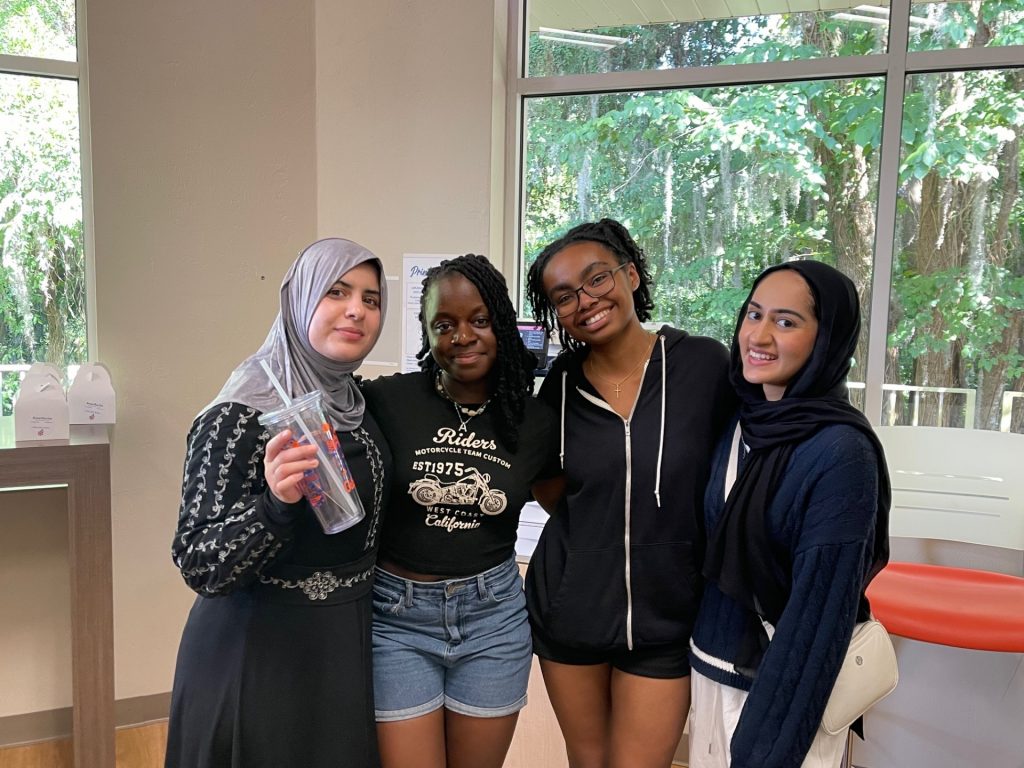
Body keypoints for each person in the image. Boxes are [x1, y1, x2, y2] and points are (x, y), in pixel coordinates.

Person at [165, 238, 392, 768]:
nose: (357, 309)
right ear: (299, 301)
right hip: (256, 655)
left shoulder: (360, 404)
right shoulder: (237, 414)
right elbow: (199, 562)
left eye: (371, 298)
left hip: (344, 644)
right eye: (336, 292)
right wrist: (274, 504)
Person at [524, 218, 735, 768]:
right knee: (587, 760)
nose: (585, 301)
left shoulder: (703, 365)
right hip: (570, 609)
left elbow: (739, 472)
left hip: (669, 614)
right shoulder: (561, 386)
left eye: (597, 279)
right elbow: (551, 490)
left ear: (632, 275)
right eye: (563, 296)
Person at [688, 261, 891, 768]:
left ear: (827, 340)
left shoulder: (840, 452)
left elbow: (819, 618)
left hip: (782, 697)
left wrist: (766, 749)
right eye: (753, 315)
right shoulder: (741, 419)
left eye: (786, 322)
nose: (758, 335)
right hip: (711, 669)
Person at [361, 254, 560, 768]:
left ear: (501, 323)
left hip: (492, 617)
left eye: (479, 320)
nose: (463, 336)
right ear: (427, 334)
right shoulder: (388, 400)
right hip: (397, 619)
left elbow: (573, 506)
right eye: (444, 325)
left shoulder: (535, 420)